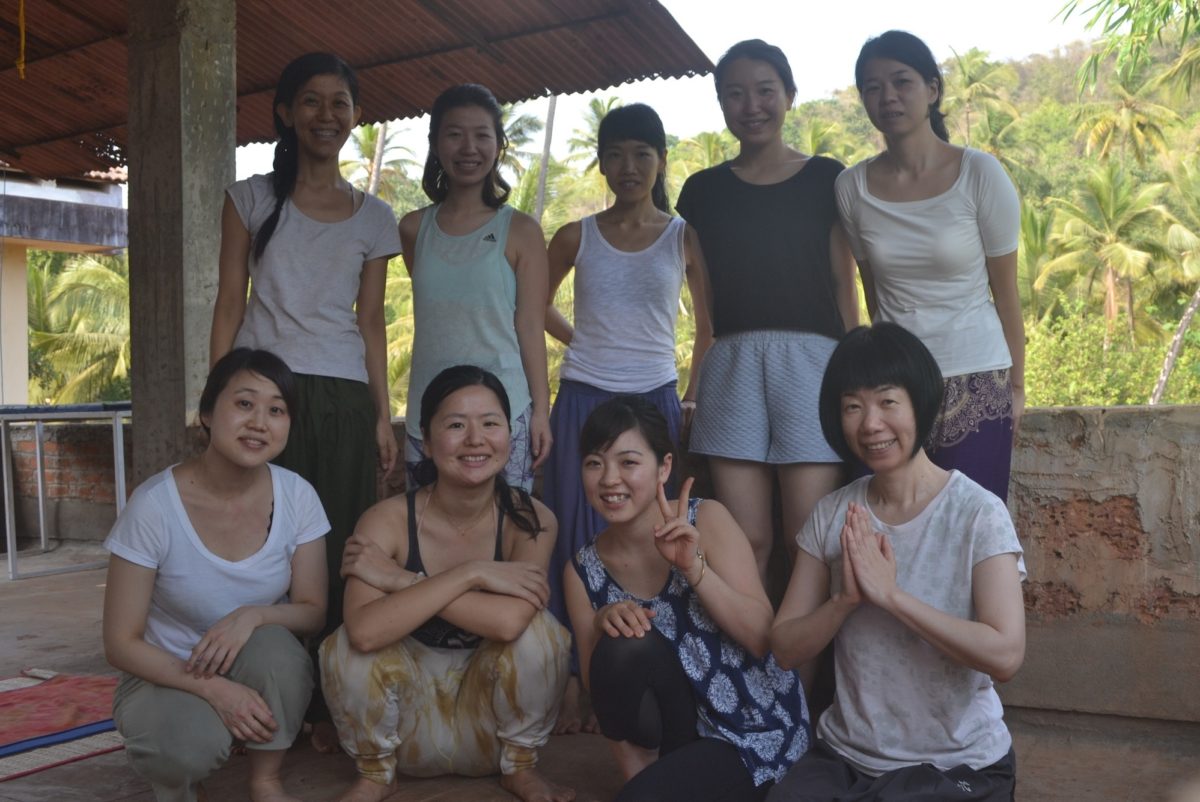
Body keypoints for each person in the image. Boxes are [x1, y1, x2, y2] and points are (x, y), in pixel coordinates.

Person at [209, 52, 402, 748]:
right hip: (266, 393)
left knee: (339, 538)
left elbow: (371, 323)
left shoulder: (375, 216)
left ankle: (329, 705)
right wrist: (218, 400)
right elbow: (230, 302)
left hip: (344, 396)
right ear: (286, 113)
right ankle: (257, 694)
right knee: (264, 540)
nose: (327, 115)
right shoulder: (250, 199)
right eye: (312, 101)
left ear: (356, 115)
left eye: (340, 102)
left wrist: (382, 414)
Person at [767, 322, 1026, 801]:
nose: (870, 424)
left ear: (919, 404)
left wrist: (891, 597)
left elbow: (1006, 655)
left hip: (959, 764)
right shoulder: (832, 513)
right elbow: (784, 647)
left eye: (887, 401)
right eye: (852, 406)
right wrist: (843, 601)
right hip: (847, 758)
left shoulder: (978, 513)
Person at [320, 365, 573, 802]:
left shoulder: (530, 519)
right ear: (426, 438)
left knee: (541, 634)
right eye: (456, 425)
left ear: (508, 435)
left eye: (490, 424)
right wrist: (472, 574)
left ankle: (520, 768)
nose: (475, 439)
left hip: (492, 728)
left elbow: (511, 622)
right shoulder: (386, 520)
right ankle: (376, 775)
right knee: (345, 645)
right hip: (404, 729)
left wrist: (400, 580)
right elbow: (363, 632)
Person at [542, 102, 713, 732]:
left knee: (650, 534)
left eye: (642, 153)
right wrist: (582, 340)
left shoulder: (683, 236)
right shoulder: (575, 235)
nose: (628, 166)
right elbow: (532, 306)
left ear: (662, 160)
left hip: (654, 401)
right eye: (614, 154)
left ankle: (640, 672)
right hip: (583, 397)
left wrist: (690, 396)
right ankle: (574, 678)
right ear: (601, 163)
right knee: (573, 532)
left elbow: (708, 328)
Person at [103, 348, 328, 802]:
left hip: (251, 660)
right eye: (244, 403)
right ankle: (187, 775)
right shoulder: (153, 506)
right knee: (182, 748)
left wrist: (252, 615)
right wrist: (219, 691)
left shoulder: (297, 496)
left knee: (279, 653)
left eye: (276, 410)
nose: (259, 423)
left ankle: (265, 778)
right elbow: (120, 643)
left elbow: (313, 611)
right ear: (206, 413)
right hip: (164, 671)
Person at [675, 39, 858, 584]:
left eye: (764, 91)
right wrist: (694, 386)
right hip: (732, 365)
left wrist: (857, 369)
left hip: (814, 363)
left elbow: (843, 283)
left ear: (790, 95)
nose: (751, 106)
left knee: (807, 534)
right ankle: (748, 642)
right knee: (744, 538)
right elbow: (705, 308)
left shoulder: (827, 178)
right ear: (721, 103)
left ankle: (806, 645)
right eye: (735, 94)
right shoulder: (702, 191)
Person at [563, 396, 809, 802]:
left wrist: (695, 569)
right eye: (594, 463)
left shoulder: (706, 519)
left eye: (628, 462)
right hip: (679, 735)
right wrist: (602, 620)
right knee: (618, 643)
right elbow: (602, 690)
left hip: (753, 731)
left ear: (664, 468)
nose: (609, 479)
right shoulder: (582, 570)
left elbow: (760, 637)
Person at [835, 30, 1024, 500]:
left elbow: (1006, 296)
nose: (888, 96)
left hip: (975, 378)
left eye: (902, 81)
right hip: (891, 385)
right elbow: (873, 294)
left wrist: (1017, 388)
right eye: (873, 87)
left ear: (932, 89)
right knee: (888, 521)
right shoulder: (851, 187)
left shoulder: (979, 173)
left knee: (970, 518)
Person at [400, 84, 553, 493]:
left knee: (508, 525)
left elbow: (530, 325)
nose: (469, 148)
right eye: (454, 134)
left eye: (482, 135)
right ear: (435, 143)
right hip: (428, 417)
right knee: (425, 526)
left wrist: (541, 410)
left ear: (499, 145)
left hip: (503, 415)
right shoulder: (414, 228)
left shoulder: (521, 230)